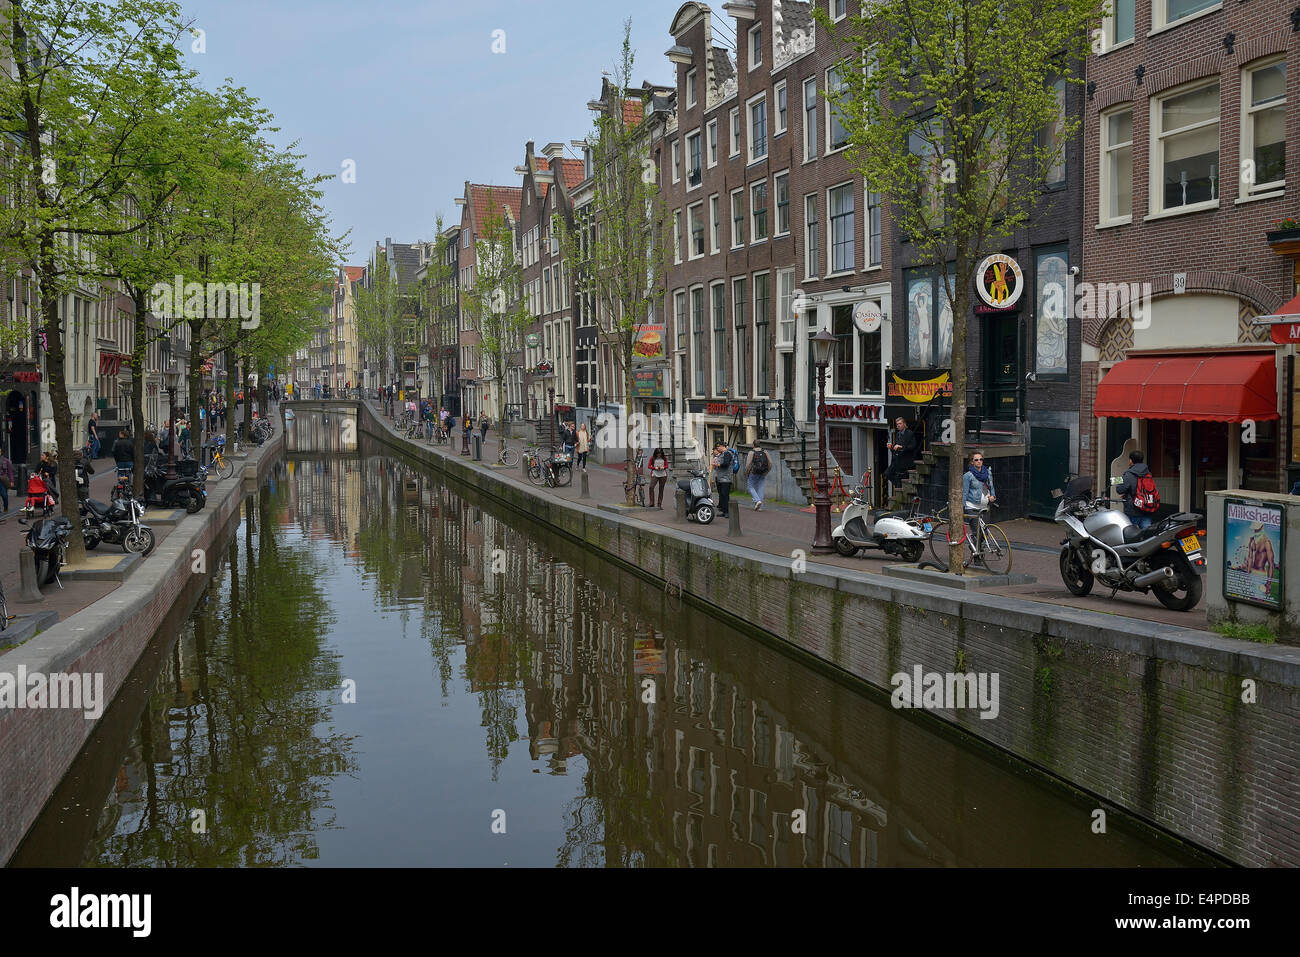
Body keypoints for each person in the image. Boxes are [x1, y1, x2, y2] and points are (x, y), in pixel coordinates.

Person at [1115, 450, 1158, 531]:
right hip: (1147, 507)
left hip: (1133, 509)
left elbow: (1120, 489)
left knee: (1131, 534)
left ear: (1131, 460)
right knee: (1146, 534)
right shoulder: (1148, 473)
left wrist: (1119, 481)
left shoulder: (1129, 474)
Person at [962, 451, 995, 547]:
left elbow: (991, 486)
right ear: (972, 462)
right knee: (977, 532)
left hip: (984, 507)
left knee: (985, 533)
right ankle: (977, 556)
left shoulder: (987, 473)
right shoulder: (968, 476)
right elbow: (965, 492)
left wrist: (993, 496)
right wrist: (962, 508)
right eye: (976, 460)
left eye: (981, 459)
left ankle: (974, 546)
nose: (979, 461)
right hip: (971, 507)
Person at [885, 417, 918, 491]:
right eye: (897, 424)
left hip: (905, 460)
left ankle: (899, 486)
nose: (898, 425)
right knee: (887, 473)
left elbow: (913, 446)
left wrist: (901, 446)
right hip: (897, 460)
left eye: (900, 423)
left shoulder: (909, 433)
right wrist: (891, 447)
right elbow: (896, 449)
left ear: (904, 424)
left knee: (900, 478)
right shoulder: (898, 434)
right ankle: (897, 484)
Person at [745, 441, 771, 510]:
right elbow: (770, 463)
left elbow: (748, 464)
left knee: (750, 487)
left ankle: (757, 500)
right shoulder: (765, 451)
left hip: (753, 472)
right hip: (763, 473)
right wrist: (767, 471)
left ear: (753, 445)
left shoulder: (751, 452)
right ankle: (760, 507)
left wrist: (747, 473)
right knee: (760, 488)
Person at [711, 442, 734, 518]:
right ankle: (724, 511)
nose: (717, 449)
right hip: (721, 478)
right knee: (722, 495)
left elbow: (726, 464)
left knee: (725, 495)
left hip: (726, 479)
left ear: (722, 446)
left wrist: (718, 464)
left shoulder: (727, 454)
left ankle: (727, 512)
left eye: (718, 447)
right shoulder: (721, 454)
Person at [0, 448, 13, 518]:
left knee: (4, 495)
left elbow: (10, 472)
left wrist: (11, 481)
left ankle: (6, 507)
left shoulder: (6, 461)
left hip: (3, 480)